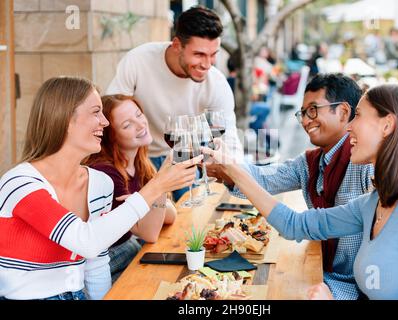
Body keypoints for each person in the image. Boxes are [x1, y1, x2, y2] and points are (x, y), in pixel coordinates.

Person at [203, 83, 398, 299]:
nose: (350, 127)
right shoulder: (375, 202)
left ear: (387, 125)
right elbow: (295, 225)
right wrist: (233, 171)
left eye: (358, 116)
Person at [0, 76, 201, 300]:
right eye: (96, 112)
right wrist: (157, 186)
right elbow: (86, 241)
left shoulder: (99, 183)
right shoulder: (19, 183)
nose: (105, 122)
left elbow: (96, 265)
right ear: (66, 120)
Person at [208, 74, 374, 300]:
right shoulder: (310, 162)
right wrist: (226, 168)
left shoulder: (366, 166)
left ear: (344, 112)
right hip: (317, 270)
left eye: (313, 110)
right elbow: (264, 177)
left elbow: (294, 225)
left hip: (350, 287)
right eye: (303, 113)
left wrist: (233, 171)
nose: (306, 121)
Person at [106, 6, 243, 201]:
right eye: (199, 54)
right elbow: (111, 111)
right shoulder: (138, 60)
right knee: (143, 221)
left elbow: (229, 137)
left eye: (213, 54)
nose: (207, 64)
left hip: (183, 156)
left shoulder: (216, 83)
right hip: (139, 156)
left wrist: (239, 181)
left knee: (193, 210)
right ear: (177, 44)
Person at [85, 95, 178, 283]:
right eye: (127, 125)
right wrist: (159, 183)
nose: (140, 124)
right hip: (108, 261)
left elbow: (169, 216)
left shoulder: (139, 163)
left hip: (129, 248)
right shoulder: (106, 173)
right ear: (111, 137)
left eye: (139, 115)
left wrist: (147, 197)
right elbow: (150, 233)